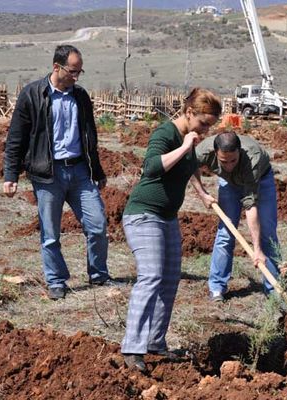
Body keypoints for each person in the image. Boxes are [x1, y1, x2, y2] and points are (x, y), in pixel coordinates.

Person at [3, 44, 117, 300]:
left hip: (79, 172)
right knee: (51, 233)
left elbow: (90, 137)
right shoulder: (32, 94)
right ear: (57, 67)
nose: (76, 77)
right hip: (47, 174)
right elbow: (16, 138)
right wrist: (10, 175)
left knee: (97, 225)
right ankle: (56, 280)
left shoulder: (80, 96)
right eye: (72, 71)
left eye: (79, 72)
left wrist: (97, 170)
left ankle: (99, 274)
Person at [121, 88, 221, 373]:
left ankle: (155, 342)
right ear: (189, 113)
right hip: (143, 214)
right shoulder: (166, 134)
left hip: (167, 217)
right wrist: (184, 146)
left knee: (169, 279)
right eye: (203, 123)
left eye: (210, 125)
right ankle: (132, 347)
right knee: (151, 276)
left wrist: (201, 192)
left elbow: (191, 166)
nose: (206, 129)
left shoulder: (190, 139)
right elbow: (151, 167)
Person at [192, 132, 280, 302]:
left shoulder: (251, 159)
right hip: (228, 183)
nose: (229, 165)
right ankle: (217, 287)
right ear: (215, 152)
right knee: (225, 233)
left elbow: (250, 205)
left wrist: (257, 250)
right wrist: (202, 193)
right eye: (224, 161)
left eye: (233, 160)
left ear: (240, 151)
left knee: (268, 234)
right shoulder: (203, 151)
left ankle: (273, 287)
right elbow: (188, 166)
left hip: (260, 180)